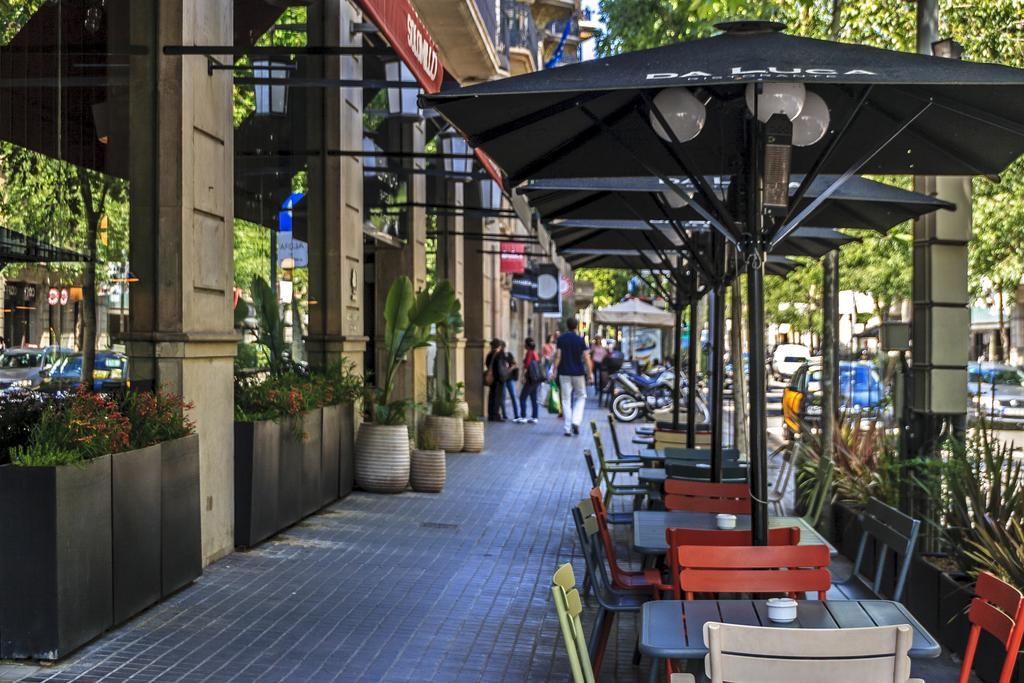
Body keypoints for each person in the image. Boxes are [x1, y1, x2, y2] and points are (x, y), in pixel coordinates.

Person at [553, 317, 592, 436]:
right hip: (578, 373)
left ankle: (567, 428)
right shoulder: (580, 340)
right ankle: (576, 421)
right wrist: (590, 374)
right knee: (581, 397)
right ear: (576, 326)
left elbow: (558, 356)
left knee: (565, 399)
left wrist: (554, 370)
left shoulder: (561, 339)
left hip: (563, 372)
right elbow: (586, 357)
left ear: (567, 325)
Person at [516, 338, 542, 424]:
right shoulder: (535, 353)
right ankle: (535, 417)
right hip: (536, 379)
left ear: (527, 345)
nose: (524, 345)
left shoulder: (529, 353)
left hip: (530, 379)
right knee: (533, 398)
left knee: (522, 397)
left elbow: (527, 365)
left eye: (525, 343)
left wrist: (523, 376)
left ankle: (523, 416)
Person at [485, 339, 507, 422]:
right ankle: (495, 415)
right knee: (497, 398)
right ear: (499, 346)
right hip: (499, 379)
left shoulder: (490, 354)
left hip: (492, 379)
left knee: (491, 397)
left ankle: (491, 415)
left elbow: (487, 363)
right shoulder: (500, 354)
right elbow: (502, 365)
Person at [502, 343, 520, 421]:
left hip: (510, 378)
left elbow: (515, 364)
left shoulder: (509, 355)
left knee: (513, 396)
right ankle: (504, 415)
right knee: (503, 397)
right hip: (503, 379)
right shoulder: (499, 356)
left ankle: (516, 415)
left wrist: (510, 369)